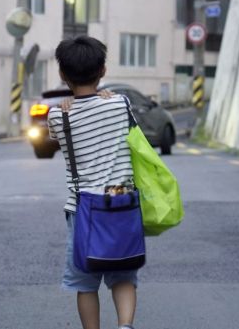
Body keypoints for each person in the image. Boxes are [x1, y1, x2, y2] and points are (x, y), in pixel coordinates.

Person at [46, 36, 139, 329]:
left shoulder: (58, 115)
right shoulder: (120, 104)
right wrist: (103, 97)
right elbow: (133, 134)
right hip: (122, 203)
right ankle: (125, 326)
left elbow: (55, 139)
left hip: (83, 208)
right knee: (123, 276)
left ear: (62, 74)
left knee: (85, 283)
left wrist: (70, 104)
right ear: (103, 70)